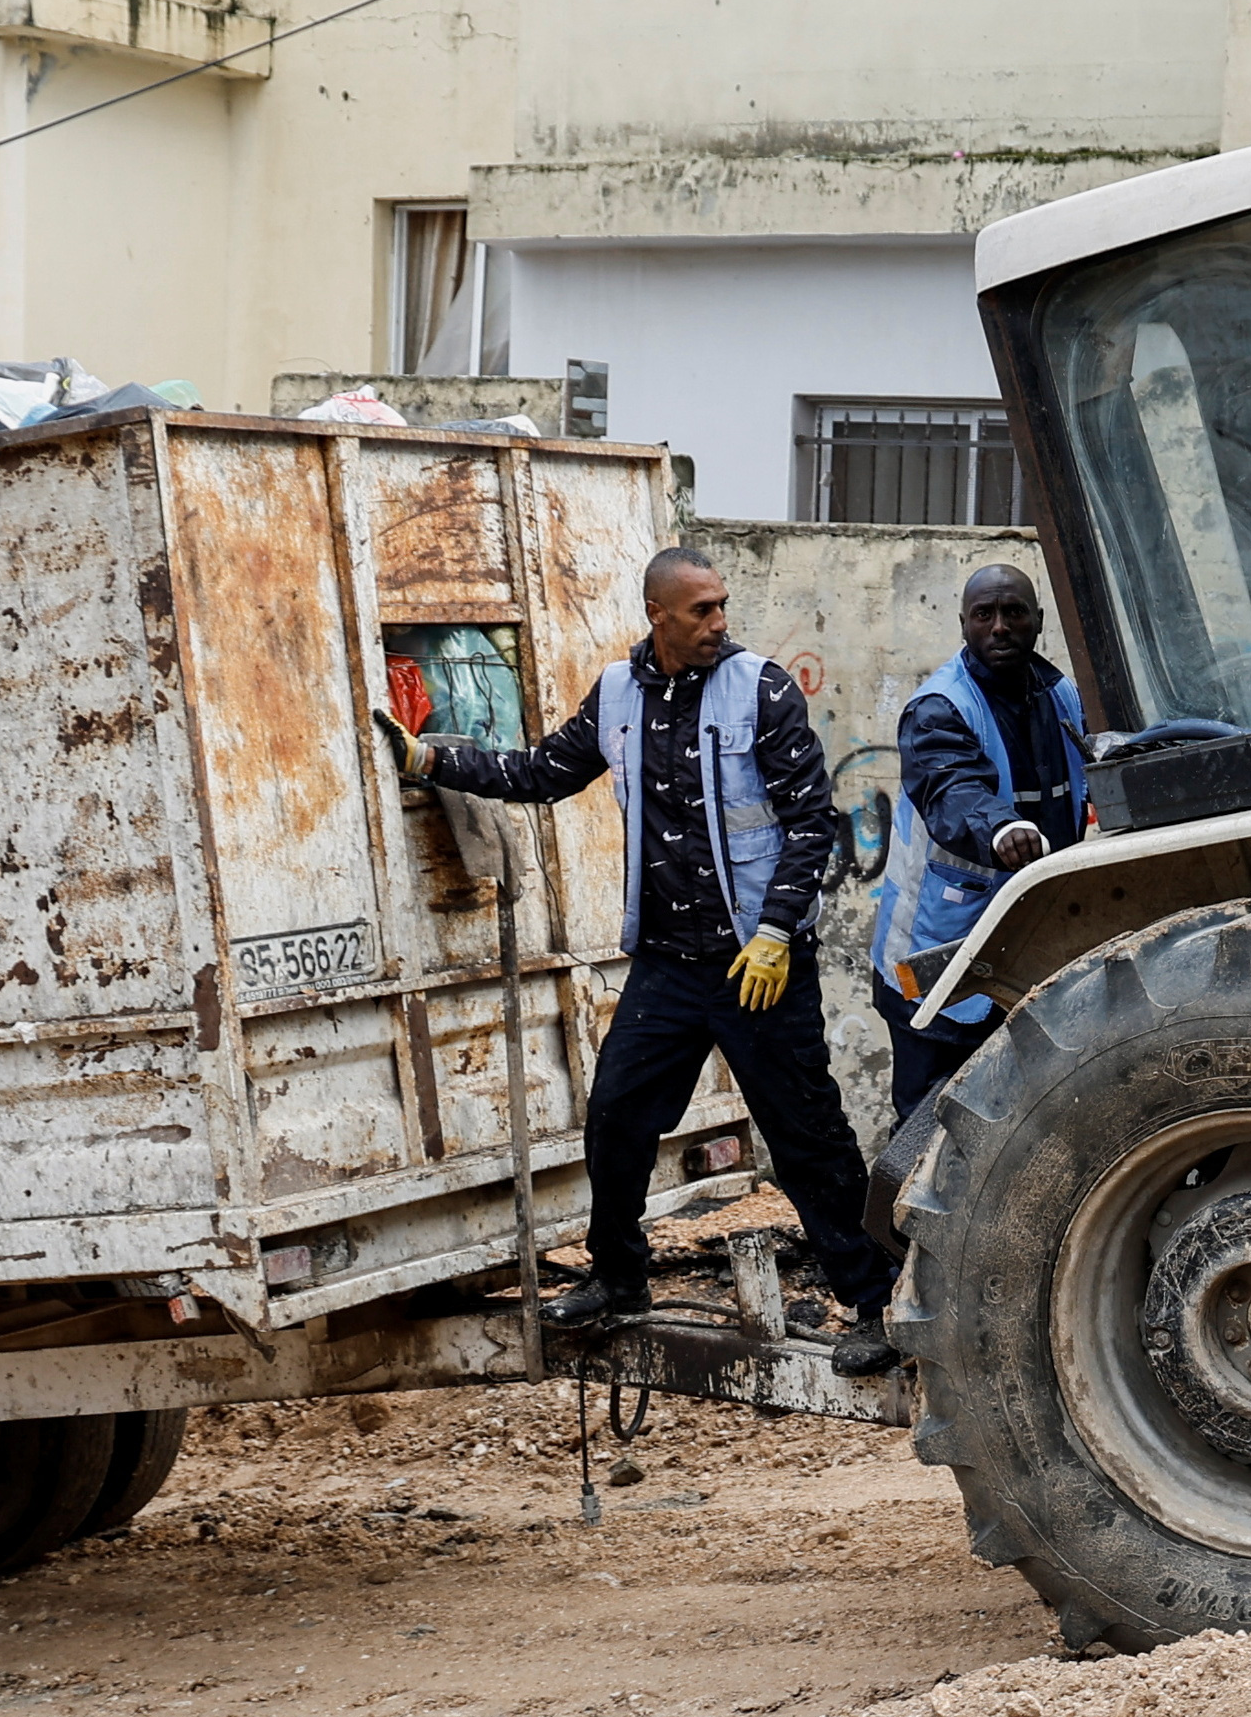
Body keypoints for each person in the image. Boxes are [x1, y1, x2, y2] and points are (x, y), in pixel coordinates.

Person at [391, 546, 914, 1369]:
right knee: (617, 1118)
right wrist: (433, 759)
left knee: (806, 1135)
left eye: (721, 606)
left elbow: (812, 822)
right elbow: (542, 772)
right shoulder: (618, 694)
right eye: (700, 610)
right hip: (670, 965)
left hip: (758, 963)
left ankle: (877, 1305)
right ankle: (619, 1278)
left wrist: (778, 930)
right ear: (657, 615)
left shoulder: (762, 688)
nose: (718, 622)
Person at [875, 562, 1088, 1117]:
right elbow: (950, 787)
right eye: (984, 615)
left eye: (1013, 612)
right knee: (935, 1124)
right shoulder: (938, 709)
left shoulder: (1060, 695)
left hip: (1033, 951)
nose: (999, 626)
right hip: (942, 960)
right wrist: (1002, 827)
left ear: (1038, 621)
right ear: (963, 625)